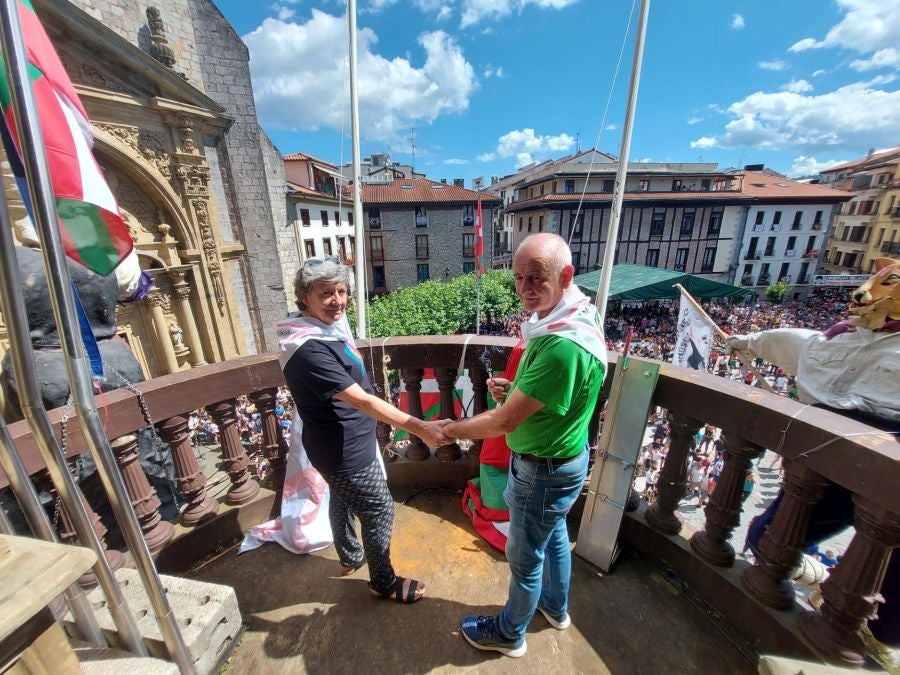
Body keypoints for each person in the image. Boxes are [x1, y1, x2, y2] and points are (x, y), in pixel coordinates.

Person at [440, 233, 607, 657]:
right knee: (554, 537)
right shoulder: (578, 315)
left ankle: (508, 633)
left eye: (536, 277)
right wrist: (517, 389)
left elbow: (504, 421)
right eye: (518, 278)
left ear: (565, 275)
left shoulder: (560, 348)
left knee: (525, 558)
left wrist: (449, 430)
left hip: (542, 469)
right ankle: (555, 607)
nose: (525, 288)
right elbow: (553, 397)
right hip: (565, 458)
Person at [275, 256, 447, 603]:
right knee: (378, 509)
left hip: (338, 442)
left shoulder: (319, 330)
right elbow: (361, 400)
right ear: (304, 296)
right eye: (326, 293)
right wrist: (420, 426)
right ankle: (383, 582)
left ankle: (350, 555)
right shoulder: (308, 348)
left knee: (342, 497)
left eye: (341, 291)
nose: (337, 301)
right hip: (344, 449)